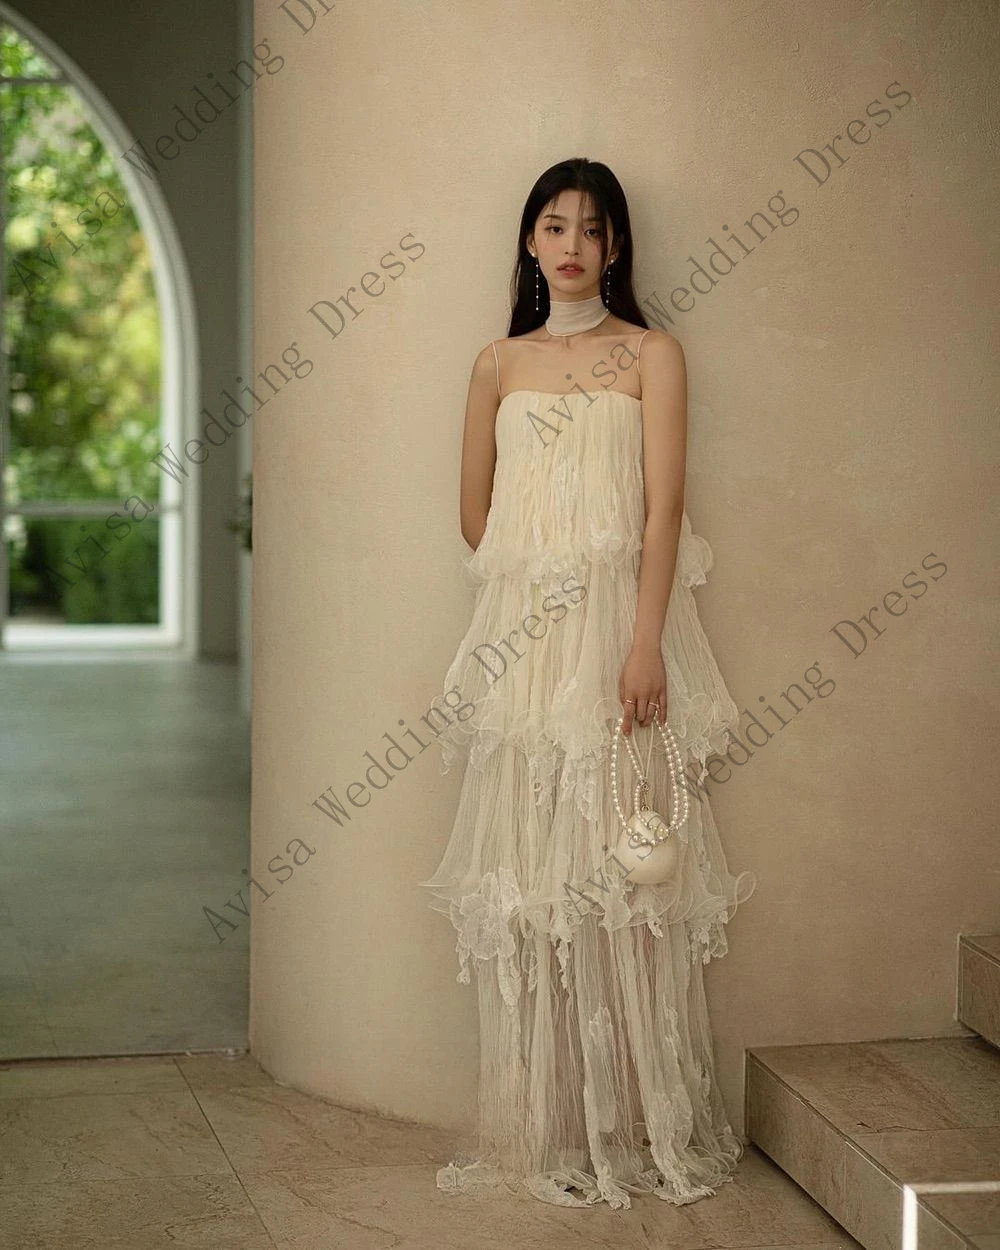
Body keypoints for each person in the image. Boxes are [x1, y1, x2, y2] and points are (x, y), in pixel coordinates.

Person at [418, 157, 757, 1211]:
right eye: (553, 225)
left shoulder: (652, 355)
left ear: (615, 249)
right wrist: (544, 570)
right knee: (535, 875)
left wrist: (642, 636)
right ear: (529, 241)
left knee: (630, 864)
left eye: (592, 229)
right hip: (529, 651)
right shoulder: (496, 364)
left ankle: (636, 1118)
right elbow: (476, 519)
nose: (571, 244)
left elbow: (661, 511)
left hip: (620, 637)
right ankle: (548, 1124)